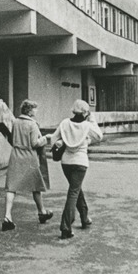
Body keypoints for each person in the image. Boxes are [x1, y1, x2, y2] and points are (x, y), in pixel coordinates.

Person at [51, 99, 103, 241]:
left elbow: (53, 140)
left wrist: (64, 140)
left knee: (76, 189)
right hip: (80, 162)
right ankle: (65, 226)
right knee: (74, 192)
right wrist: (92, 120)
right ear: (85, 112)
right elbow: (99, 136)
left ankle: (85, 217)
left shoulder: (64, 123)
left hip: (66, 162)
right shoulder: (87, 125)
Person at [1, 99, 53, 231]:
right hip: (29, 156)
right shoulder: (33, 124)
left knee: (11, 187)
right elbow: (35, 143)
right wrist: (45, 139)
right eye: (35, 108)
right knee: (36, 186)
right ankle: (42, 212)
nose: (36, 111)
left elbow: (13, 139)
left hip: (16, 155)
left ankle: (7, 216)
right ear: (29, 111)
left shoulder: (16, 122)